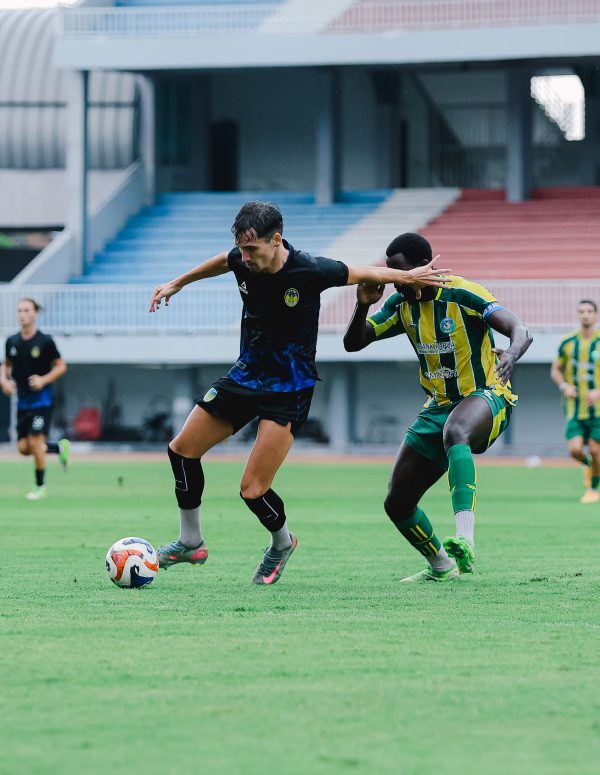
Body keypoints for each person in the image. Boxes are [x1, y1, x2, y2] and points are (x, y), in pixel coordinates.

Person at [148, 201, 450, 585]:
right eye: (241, 248)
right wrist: (178, 282)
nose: (245, 257)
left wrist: (411, 278)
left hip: (288, 389)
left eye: (252, 249)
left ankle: (281, 543)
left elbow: (363, 271)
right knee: (181, 451)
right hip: (245, 376)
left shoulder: (310, 269)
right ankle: (190, 540)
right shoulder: (242, 257)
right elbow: (223, 261)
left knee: (253, 490)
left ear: (276, 240)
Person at [344, 232, 532, 582]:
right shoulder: (401, 305)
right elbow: (353, 343)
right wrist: (363, 303)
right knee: (397, 503)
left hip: (487, 395)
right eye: (392, 273)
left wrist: (511, 353)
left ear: (423, 266)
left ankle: (466, 537)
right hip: (438, 405)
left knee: (456, 431)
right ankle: (442, 566)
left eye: (401, 271)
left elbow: (519, 329)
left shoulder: (462, 293)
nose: (397, 280)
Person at [1, 298, 70, 500]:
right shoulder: (11, 341)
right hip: (23, 401)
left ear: (35, 313)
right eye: (19, 310)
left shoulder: (45, 341)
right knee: (23, 448)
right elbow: (5, 366)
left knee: (35, 441)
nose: (22, 314)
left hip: (42, 400)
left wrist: (43, 379)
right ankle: (58, 447)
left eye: (26, 310)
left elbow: (61, 366)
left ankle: (40, 487)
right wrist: (4, 381)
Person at [550, 299, 600, 504]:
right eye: (581, 311)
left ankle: (592, 489)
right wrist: (564, 387)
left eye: (589, 311)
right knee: (575, 450)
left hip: (598, 410)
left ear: (595, 315)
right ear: (578, 315)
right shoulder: (567, 342)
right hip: (574, 408)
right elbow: (555, 369)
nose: (585, 315)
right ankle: (591, 466)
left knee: (596, 449)